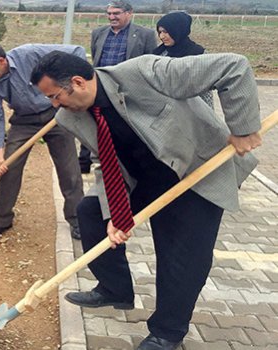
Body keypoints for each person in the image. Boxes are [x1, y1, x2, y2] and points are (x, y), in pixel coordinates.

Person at [31, 51, 261, 350]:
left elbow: (234, 66)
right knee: (91, 212)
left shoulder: (145, 73)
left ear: (78, 82)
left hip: (196, 173)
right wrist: (116, 212)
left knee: (180, 257)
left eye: (55, 96)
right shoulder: (69, 116)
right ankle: (116, 289)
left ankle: (167, 332)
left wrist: (243, 128)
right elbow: (108, 163)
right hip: (144, 179)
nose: (54, 105)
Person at [0, 42, 85, 240]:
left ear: (1, 61)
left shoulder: (31, 54)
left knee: (69, 170)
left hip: (57, 115)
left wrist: (71, 86)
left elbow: (77, 51)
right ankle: (1, 221)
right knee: (9, 168)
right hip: (23, 122)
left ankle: (77, 220)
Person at [80, 0, 156, 174]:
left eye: (116, 13)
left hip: (128, 89)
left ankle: (125, 164)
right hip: (101, 86)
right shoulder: (98, 33)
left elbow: (150, 62)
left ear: (129, 13)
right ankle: (84, 162)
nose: (111, 17)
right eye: (109, 14)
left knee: (123, 126)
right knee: (94, 122)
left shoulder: (144, 34)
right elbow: (96, 60)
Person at [152, 11, 214, 108]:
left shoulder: (199, 55)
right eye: (160, 32)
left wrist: (208, 118)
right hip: (163, 112)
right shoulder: (158, 54)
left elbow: (205, 92)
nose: (161, 36)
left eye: (166, 32)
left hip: (191, 111)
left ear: (178, 31)